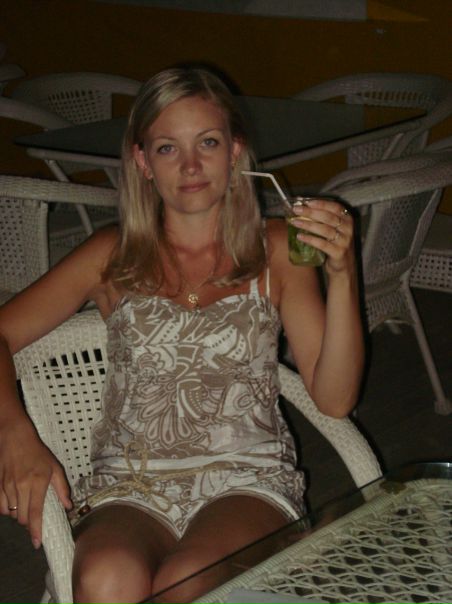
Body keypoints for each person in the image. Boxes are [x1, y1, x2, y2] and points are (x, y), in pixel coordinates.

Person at [0, 66, 364, 604]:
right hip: (130, 484)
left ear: (234, 152)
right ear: (143, 162)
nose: (191, 165)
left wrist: (343, 273)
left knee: (188, 580)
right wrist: (14, 434)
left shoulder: (278, 248)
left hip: (247, 479)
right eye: (168, 148)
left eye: (208, 143)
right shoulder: (112, 255)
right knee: (106, 579)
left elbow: (334, 399)